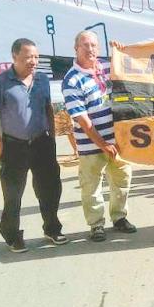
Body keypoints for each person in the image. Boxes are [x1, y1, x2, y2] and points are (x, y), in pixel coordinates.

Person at [0, 38, 66, 253]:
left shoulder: (42, 80)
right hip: (14, 146)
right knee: (13, 195)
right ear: (14, 57)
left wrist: (52, 137)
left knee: (50, 189)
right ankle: (13, 236)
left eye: (36, 57)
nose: (33, 61)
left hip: (41, 142)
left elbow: (48, 107)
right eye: (28, 56)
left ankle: (52, 228)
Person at [62, 31, 136, 242]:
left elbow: (133, 72)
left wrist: (122, 52)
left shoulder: (106, 66)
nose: (90, 49)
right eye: (85, 45)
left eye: (94, 45)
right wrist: (103, 145)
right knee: (91, 186)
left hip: (119, 141)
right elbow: (83, 121)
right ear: (76, 49)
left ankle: (119, 218)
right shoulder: (71, 80)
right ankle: (96, 225)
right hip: (91, 144)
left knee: (122, 181)